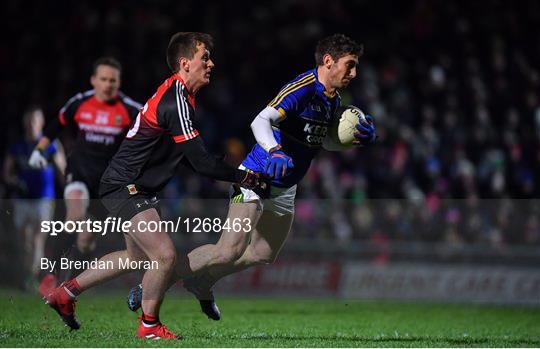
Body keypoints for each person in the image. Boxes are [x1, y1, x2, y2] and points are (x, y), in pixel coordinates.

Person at [127, 34, 376, 320]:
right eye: (350, 65)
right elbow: (260, 120)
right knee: (228, 250)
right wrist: (275, 150)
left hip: (285, 187)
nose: (354, 73)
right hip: (256, 177)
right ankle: (155, 281)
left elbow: (319, 140)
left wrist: (354, 139)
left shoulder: (333, 100)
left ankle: (202, 282)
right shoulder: (303, 88)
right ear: (329, 61)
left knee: (262, 254)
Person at [43, 32, 268, 340]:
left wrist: (220, 169)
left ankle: (65, 294)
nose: (211, 64)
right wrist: (243, 176)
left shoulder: (181, 97)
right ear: (185, 63)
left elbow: (188, 157)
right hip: (126, 185)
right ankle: (149, 326)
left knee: (135, 258)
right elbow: (200, 162)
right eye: (205, 58)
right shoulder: (176, 100)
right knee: (164, 256)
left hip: (133, 186)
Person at [28, 57, 141, 290]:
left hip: (107, 182)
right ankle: (49, 273)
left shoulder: (130, 109)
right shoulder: (80, 103)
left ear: (119, 83)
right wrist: (40, 150)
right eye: (103, 79)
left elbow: (153, 126)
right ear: (93, 80)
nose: (108, 84)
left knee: (87, 242)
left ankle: (69, 289)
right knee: (75, 216)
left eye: (113, 80)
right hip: (79, 172)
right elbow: (55, 126)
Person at [3, 107, 66, 288]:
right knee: (25, 240)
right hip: (22, 199)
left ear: (41, 123)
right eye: (29, 121)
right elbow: (6, 173)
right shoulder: (17, 147)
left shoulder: (50, 144)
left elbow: (62, 169)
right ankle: (28, 272)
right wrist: (13, 181)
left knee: (38, 238)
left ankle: (31, 276)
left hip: (44, 199)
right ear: (25, 124)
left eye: (35, 121)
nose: (32, 125)